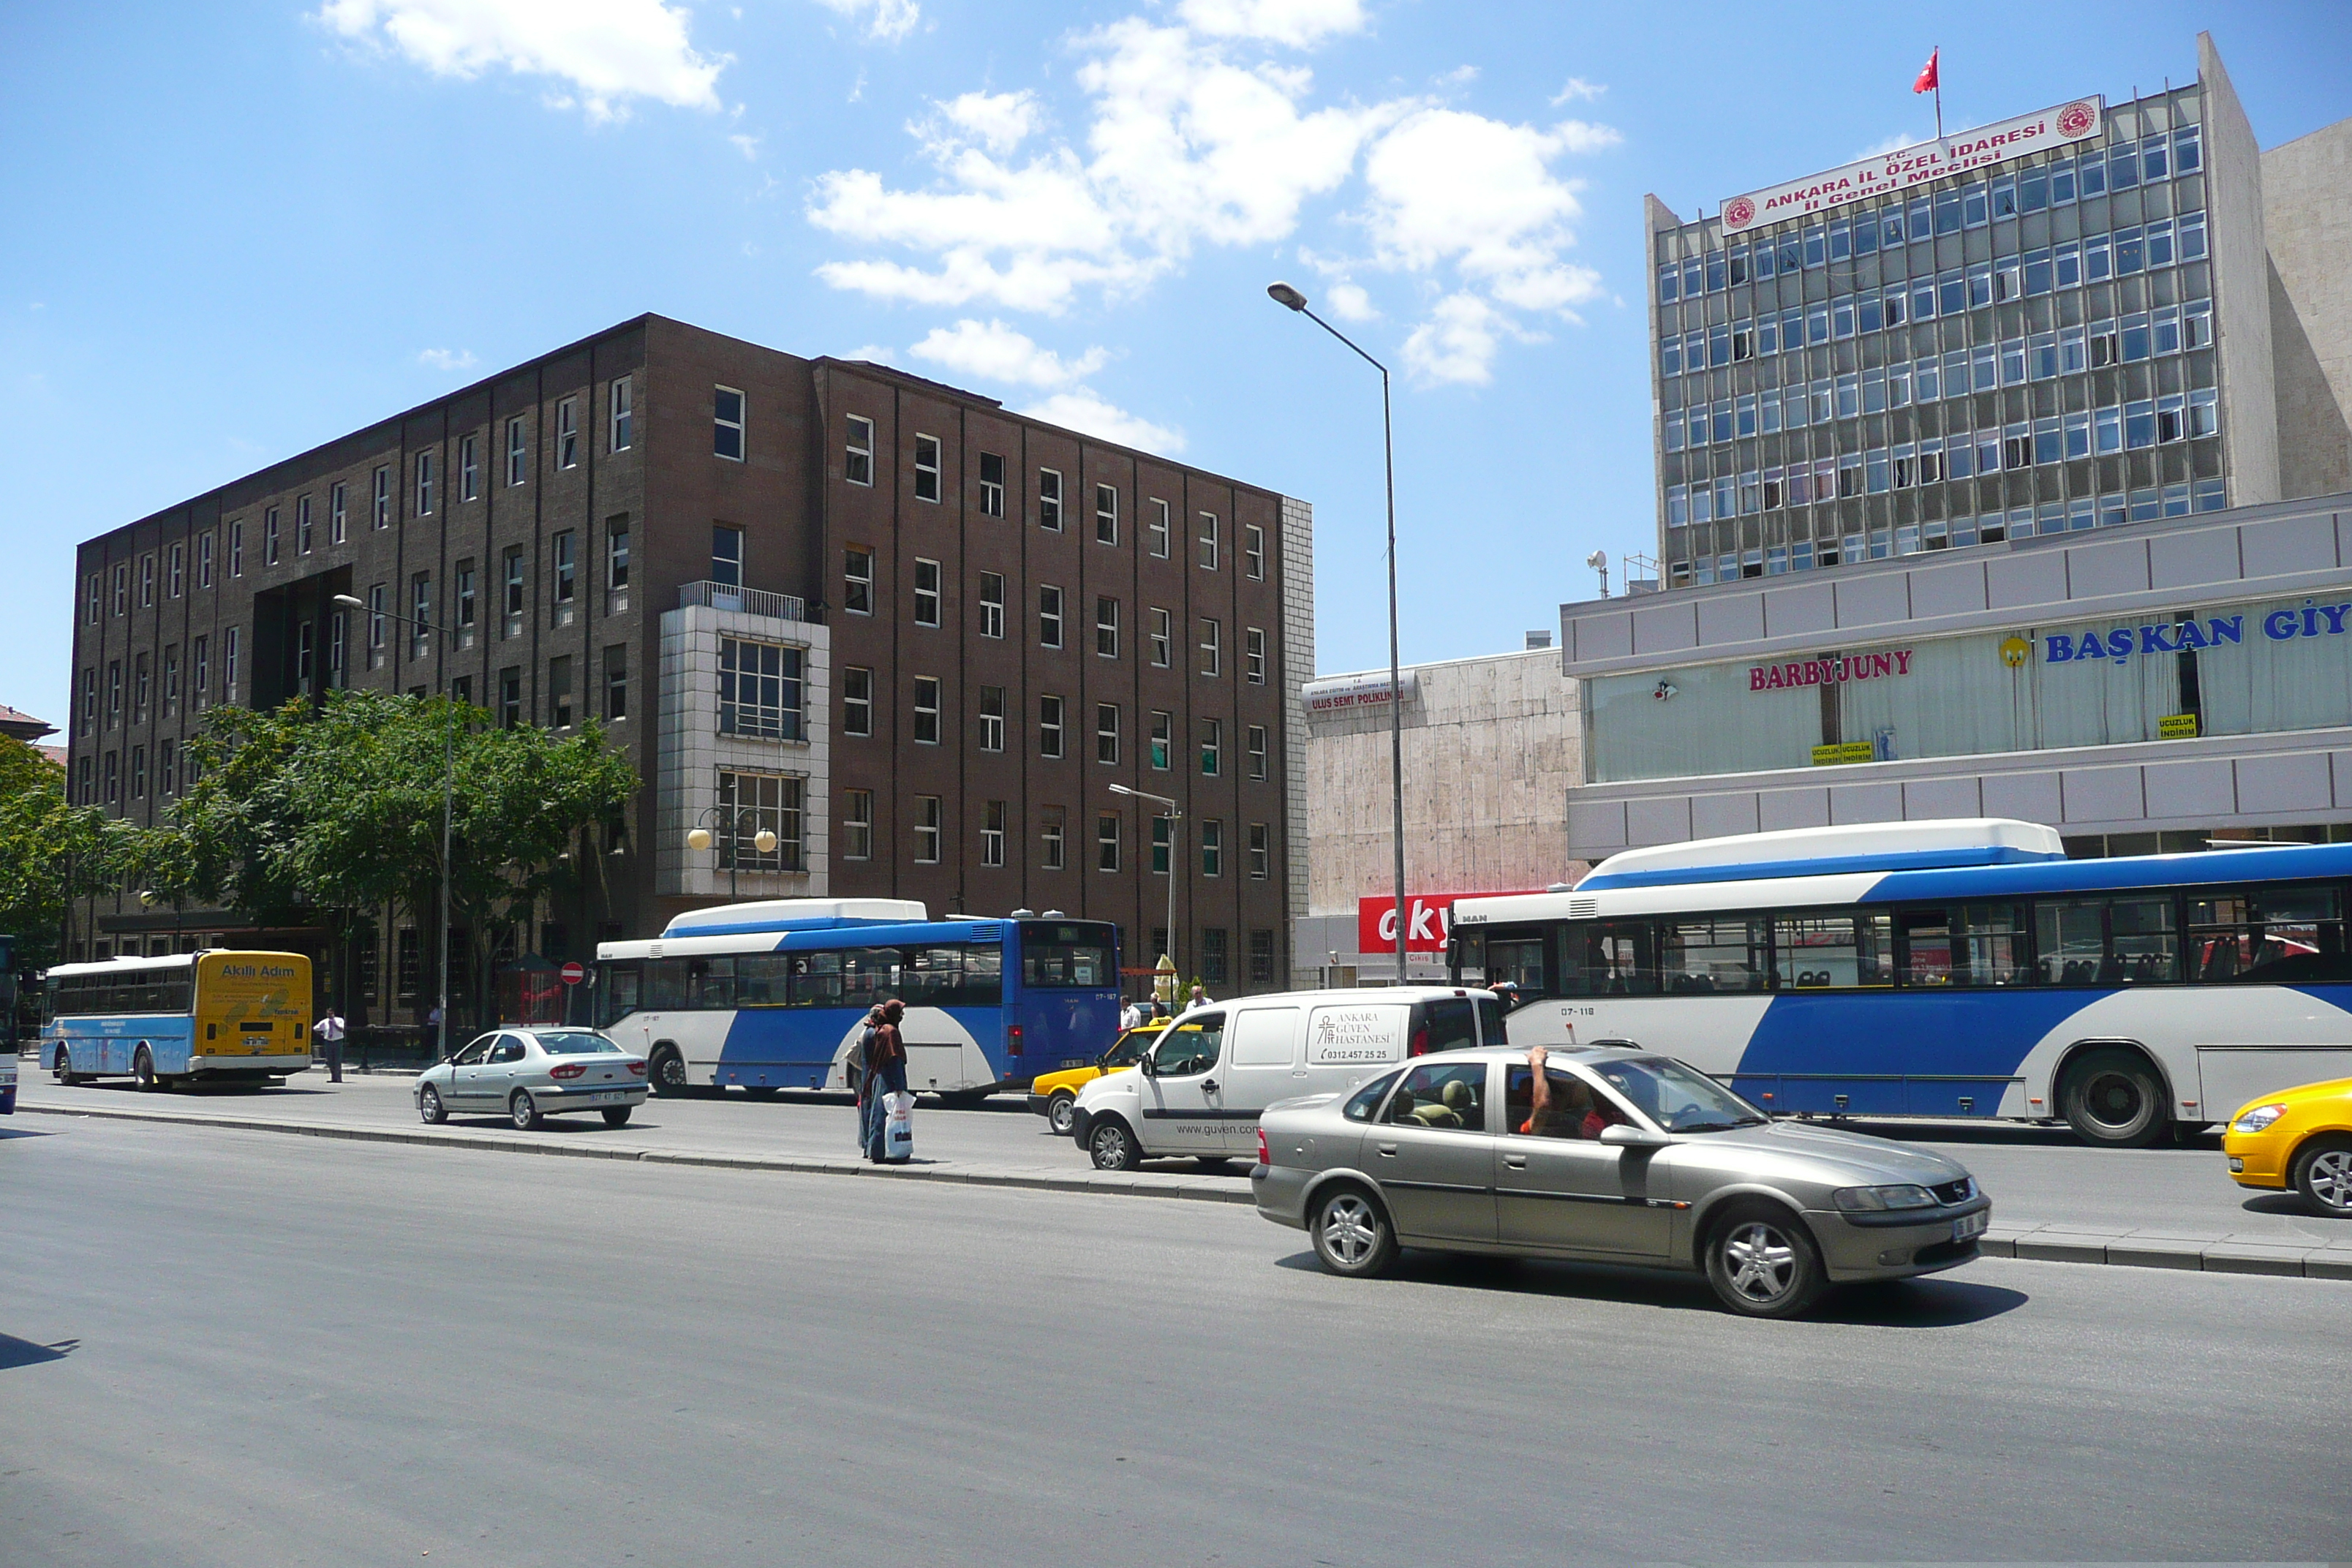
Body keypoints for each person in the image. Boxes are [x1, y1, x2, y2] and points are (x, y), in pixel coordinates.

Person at [861, 999, 908, 1164]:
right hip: (889, 1081)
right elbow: (895, 1059)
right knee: (885, 1117)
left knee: (878, 1114)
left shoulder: (880, 1029)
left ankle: (874, 1150)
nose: (902, 1015)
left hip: (880, 1078)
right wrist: (900, 1087)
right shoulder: (891, 1032)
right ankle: (884, 1152)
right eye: (900, 1012)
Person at [312, 1006, 347, 1084]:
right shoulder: (324, 1022)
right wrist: (322, 1034)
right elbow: (315, 1028)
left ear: (333, 1013)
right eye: (328, 1014)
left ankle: (338, 1078)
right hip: (328, 1041)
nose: (329, 1015)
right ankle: (333, 1077)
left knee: (337, 1060)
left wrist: (334, 1024)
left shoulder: (339, 1020)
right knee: (330, 1060)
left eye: (331, 1013)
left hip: (338, 1041)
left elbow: (341, 1029)